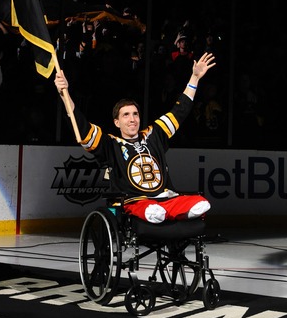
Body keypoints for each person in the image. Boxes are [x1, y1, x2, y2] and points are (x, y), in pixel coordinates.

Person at [54, 52, 216, 224]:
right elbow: (82, 127)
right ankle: (162, 213)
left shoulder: (155, 135)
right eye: (126, 115)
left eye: (135, 114)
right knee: (150, 210)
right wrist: (65, 95)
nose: (132, 119)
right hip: (135, 202)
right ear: (116, 122)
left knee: (201, 203)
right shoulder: (110, 144)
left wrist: (195, 77)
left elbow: (180, 111)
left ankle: (171, 212)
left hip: (165, 199)